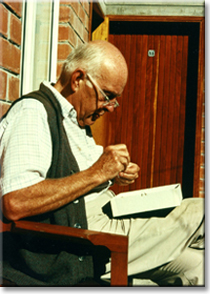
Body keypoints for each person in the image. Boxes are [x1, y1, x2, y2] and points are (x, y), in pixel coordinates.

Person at [0, 40, 204, 286]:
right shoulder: (33, 113)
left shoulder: (76, 119)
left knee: (198, 267)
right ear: (77, 79)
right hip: (82, 237)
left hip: (104, 216)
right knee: (200, 211)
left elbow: (74, 175)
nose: (110, 107)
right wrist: (98, 173)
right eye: (107, 96)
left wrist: (114, 174)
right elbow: (15, 202)